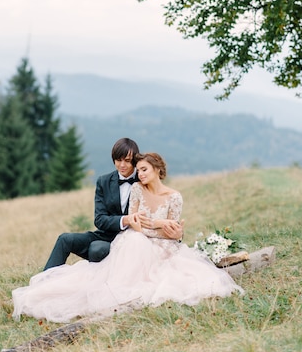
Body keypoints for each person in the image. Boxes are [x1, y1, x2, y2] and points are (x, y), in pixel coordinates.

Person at [12, 152, 243, 323]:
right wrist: (158, 224)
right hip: (137, 239)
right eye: (139, 170)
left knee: (175, 271)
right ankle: (49, 283)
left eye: (144, 170)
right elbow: (135, 224)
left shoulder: (175, 197)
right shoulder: (137, 190)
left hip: (164, 246)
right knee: (134, 240)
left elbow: (171, 231)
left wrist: (175, 232)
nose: (139, 174)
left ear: (158, 171)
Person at [43, 137, 183, 269]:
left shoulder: (144, 181)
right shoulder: (103, 181)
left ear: (135, 161)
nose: (122, 165)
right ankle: (44, 280)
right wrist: (125, 219)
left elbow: (163, 213)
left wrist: (177, 234)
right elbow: (99, 219)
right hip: (106, 234)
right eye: (118, 160)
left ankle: (99, 283)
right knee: (65, 239)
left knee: (97, 249)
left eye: (127, 161)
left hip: (136, 239)